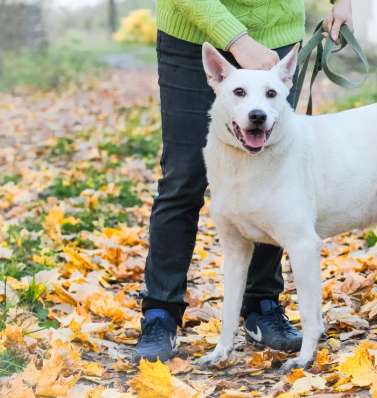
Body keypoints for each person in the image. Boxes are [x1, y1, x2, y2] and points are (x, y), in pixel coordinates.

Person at [135, 0, 353, 362]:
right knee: (184, 175)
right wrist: (237, 40)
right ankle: (160, 313)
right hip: (192, 33)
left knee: (274, 177)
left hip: (276, 33)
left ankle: (262, 306)